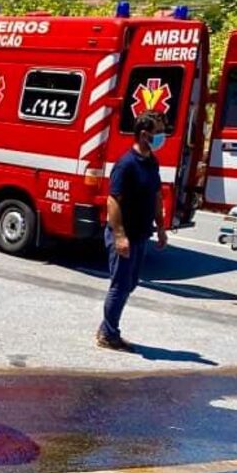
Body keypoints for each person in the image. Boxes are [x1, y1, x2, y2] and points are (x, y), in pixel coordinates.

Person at [98, 111, 168, 352]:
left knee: (131, 283)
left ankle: (106, 328)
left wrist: (160, 227)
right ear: (143, 134)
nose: (161, 137)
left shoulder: (151, 162)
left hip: (141, 233)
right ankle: (109, 334)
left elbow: (157, 195)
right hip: (124, 234)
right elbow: (113, 201)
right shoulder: (126, 165)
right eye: (157, 133)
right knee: (120, 285)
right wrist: (119, 236)